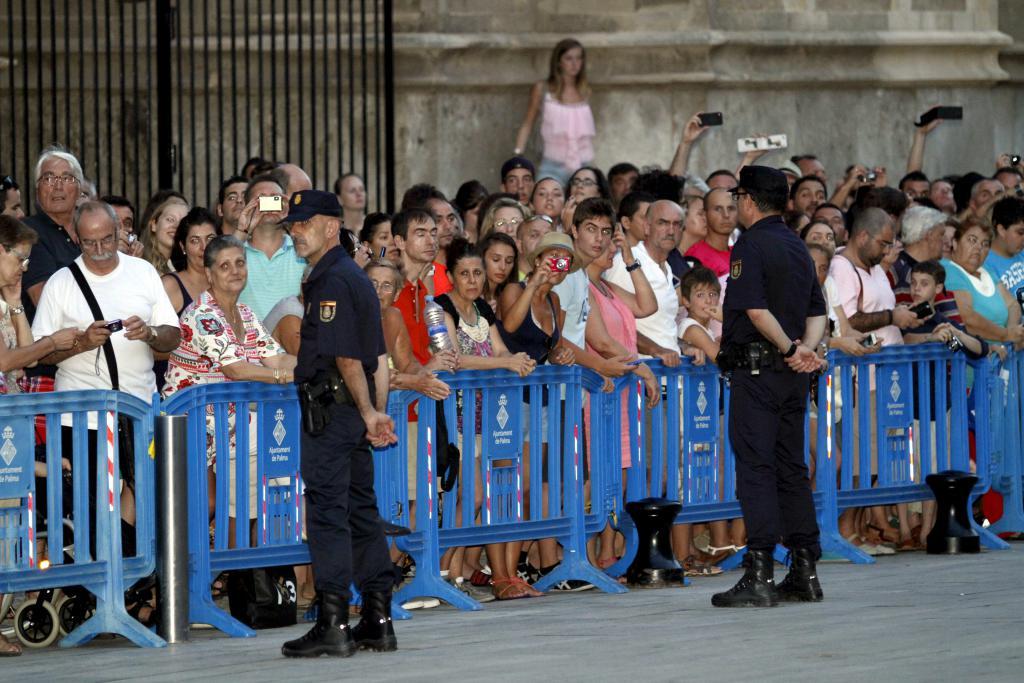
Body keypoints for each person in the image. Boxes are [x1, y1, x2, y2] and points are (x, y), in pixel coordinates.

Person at [280, 190, 398, 658]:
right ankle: (377, 617)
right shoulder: (356, 278)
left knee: (329, 514)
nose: (295, 231)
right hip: (352, 410)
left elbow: (348, 355)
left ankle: (333, 622)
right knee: (360, 511)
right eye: (292, 224)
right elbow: (379, 357)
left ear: (331, 226)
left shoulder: (331, 279)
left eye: (303, 223)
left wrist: (371, 413)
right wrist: (375, 411)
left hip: (333, 412)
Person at [712, 166, 827, 608]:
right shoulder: (797, 246)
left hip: (759, 372)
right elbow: (819, 309)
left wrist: (788, 348)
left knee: (757, 469)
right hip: (792, 377)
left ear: (748, 200)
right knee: (792, 469)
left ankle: (759, 571)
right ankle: (804, 569)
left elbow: (755, 311)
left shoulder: (752, 244)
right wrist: (805, 352)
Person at [161, 235, 297, 533]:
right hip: (190, 425)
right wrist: (283, 378)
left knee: (247, 509)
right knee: (207, 506)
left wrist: (315, 367)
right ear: (209, 274)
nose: (235, 270)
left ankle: (239, 577)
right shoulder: (204, 314)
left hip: (231, 427)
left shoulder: (245, 313)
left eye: (239, 263)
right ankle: (189, 574)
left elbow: (277, 359)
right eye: (225, 266)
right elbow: (236, 370)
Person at [435, 238, 538, 600]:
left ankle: (454, 573)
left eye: (478, 272)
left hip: (489, 417)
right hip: (457, 415)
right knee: (474, 495)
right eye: (464, 273)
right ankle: (441, 568)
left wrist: (518, 360)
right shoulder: (441, 307)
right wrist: (506, 363)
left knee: (479, 498)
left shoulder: (482, 308)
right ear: (450, 276)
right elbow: (454, 358)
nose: (473, 279)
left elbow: (499, 348)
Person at [513, 38, 595, 186]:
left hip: (583, 164)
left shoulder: (585, 91)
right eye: (569, 58)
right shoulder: (543, 89)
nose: (574, 64)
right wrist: (518, 155)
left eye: (578, 58)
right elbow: (528, 123)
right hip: (552, 164)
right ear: (558, 61)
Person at [941, 216, 1024, 344]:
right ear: (956, 243)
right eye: (972, 240)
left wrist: (1012, 329)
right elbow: (967, 319)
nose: (978, 248)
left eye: (985, 244)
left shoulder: (985, 270)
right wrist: (1006, 335)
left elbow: (1012, 304)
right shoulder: (948, 270)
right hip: (971, 359)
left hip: (1002, 357)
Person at [237, 174, 307, 321]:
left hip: (291, 341)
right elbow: (218, 265)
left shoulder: (302, 248)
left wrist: (293, 219)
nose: (268, 205)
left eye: (275, 198)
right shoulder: (236, 250)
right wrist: (243, 228)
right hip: (247, 342)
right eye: (261, 199)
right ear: (247, 205)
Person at [138, 190, 190, 276]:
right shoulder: (140, 262)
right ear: (154, 224)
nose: (176, 226)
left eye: (182, 222)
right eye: (170, 219)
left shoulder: (184, 266)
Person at [478, 231, 519, 311]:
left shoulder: (511, 296)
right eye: (496, 259)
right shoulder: (471, 295)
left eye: (509, 261)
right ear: (482, 258)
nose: (503, 267)